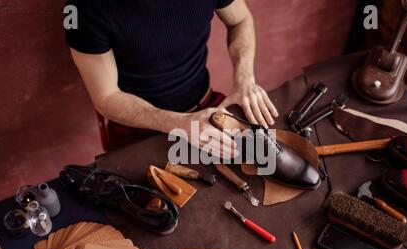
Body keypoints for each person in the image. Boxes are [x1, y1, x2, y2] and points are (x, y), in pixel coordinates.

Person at [66, 0, 278, 157]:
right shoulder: (81, 9)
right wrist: (180, 124)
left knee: (265, 160)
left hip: (206, 106)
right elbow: (106, 98)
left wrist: (245, 79)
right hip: (138, 128)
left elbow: (240, 20)